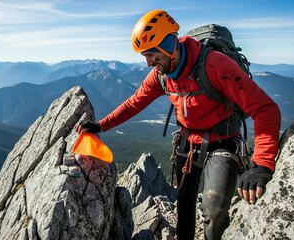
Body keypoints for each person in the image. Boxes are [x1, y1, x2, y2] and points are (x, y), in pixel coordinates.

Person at [75, 9, 281, 240]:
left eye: (151, 54)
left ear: (170, 44)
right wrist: (101, 125)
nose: (148, 62)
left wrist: (262, 164)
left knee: (213, 211)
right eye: (145, 55)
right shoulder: (160, 74)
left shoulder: (215, 65)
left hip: (223, 143)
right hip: (188, 144)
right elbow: (135, 102)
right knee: (184, 205)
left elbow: (265, 109)